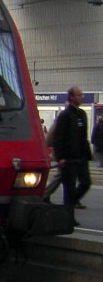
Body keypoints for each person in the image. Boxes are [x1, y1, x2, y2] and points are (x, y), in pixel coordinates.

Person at [52, 86, 92, 220]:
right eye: (79, 95)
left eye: (81, 95)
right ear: (72, 97)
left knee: (86, 183)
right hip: (68, 159)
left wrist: (87, 154)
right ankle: (69, 217)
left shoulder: (82, 114)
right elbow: (58, 138)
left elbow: (83, 136)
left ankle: (69, 205)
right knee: (69, 188)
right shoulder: (65, 116)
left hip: (81, 157)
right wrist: (60, 157)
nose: (82, 97)